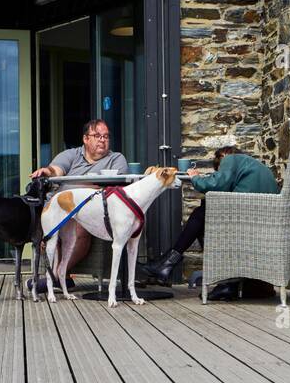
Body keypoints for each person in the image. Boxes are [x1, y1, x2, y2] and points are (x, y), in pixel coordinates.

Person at [138, 145, 277, 299]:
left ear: (223, 156)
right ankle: (225, 283)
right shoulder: (258, 167)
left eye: (219, 169)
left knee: (200, 216)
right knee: (205, 211)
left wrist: (195, 177)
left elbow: (215, 184)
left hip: (242, 225)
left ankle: (169, 264)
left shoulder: (230, 158)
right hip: (264, 229)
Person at [30, 120, 128, 278]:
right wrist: (46, 171)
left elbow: (116, 185)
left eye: (106, 136)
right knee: (52, 226)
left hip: (89, 211)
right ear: (86, 139)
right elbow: (57, 170)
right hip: (59, 208)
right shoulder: (71, 155)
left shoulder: (116, 159)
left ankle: (56, 276)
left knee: (79, 223)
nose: (102, 140)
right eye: (97, 136)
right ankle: (61, 277)